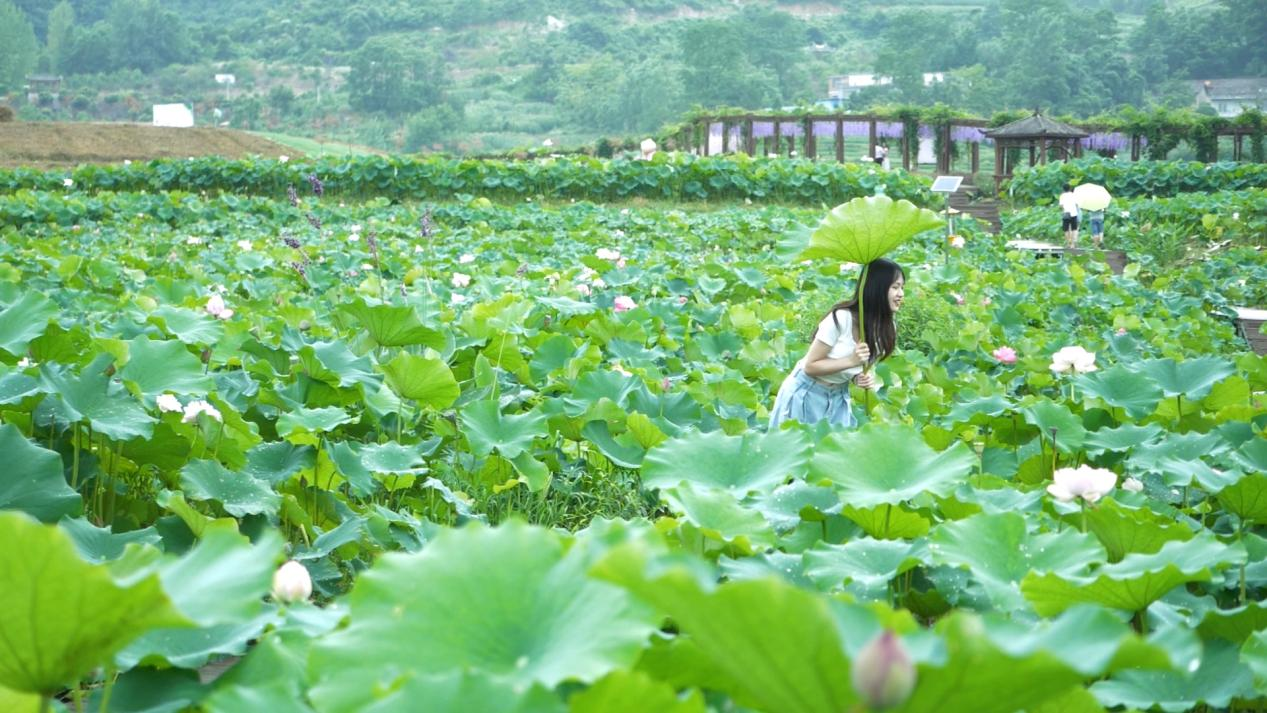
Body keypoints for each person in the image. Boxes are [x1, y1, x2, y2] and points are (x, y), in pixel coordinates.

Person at [769, 258, 905, 429]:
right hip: (806, 393)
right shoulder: (841, 318)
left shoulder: (886, 327)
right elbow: (810, 366)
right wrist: (851, 361)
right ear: (876, 288)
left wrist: (857, 377)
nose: (901, 294)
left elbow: (854, 366)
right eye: (895, 287)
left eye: (902, 287)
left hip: (839, 396)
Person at [1059, 184, 1080, 248]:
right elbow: (1077, 204)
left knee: (1066, 229)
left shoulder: (1062, 196)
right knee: (1074, 229)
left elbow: (1061, 206)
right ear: (1070, 188)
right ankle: (1073, 244)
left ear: (1063, 189)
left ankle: (1068, 242)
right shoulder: (1073, 195)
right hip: (1074, 213)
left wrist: (1064, 209)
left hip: (1066, 213)